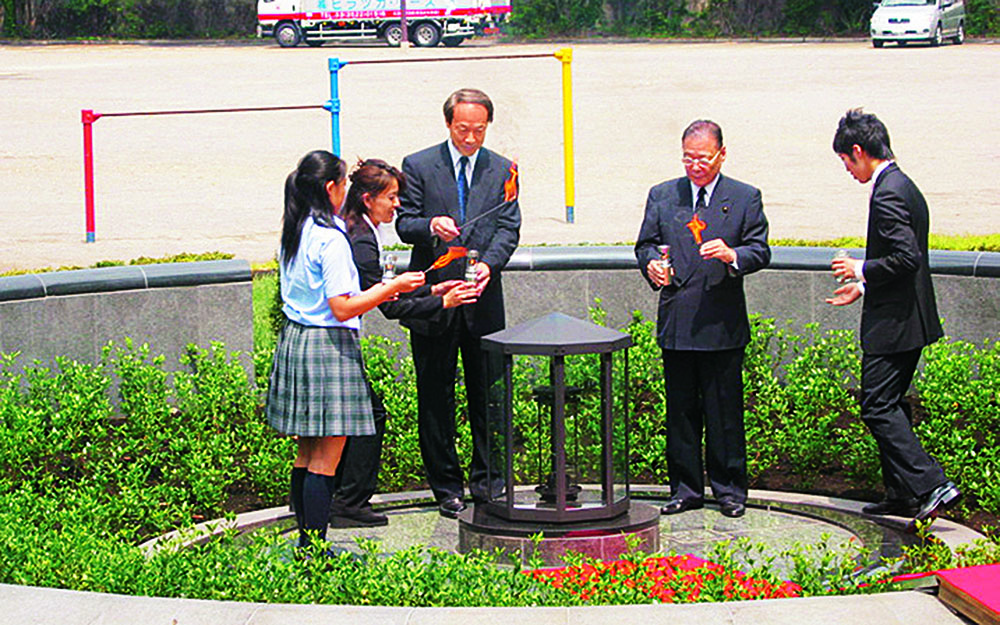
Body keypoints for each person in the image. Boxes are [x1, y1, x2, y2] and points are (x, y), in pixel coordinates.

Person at [265, 150, 424, 551]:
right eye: (342, 184)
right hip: (328, 347)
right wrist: (390, 288)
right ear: (331, 188)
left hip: (297, 340)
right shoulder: (330, 238)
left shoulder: (297, 227)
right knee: (325, 460)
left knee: (306, 453)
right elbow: (342, 307)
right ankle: (316, 551)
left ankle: (306, 544)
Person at [827, 109, 960, 526]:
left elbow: (906, 257)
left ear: (858, 151)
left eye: (847, 162)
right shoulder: (904, 185)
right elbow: (907, 263)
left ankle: (930, 483)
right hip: (910, 318)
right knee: (892, 405)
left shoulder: (887, 192)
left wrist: (860, 268)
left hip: (896, 325)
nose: (848, 170)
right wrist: (863, 287)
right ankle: (902, 494)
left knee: (877, 406)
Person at [330, 158, 479, 527]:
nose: (397, 206)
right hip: (332, 340)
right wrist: (441, 301)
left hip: (337, 337)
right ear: (368, 199)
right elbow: (387, 304)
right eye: (392, 198)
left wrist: (432, 287)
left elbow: (387, 292)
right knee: (368, 416)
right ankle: (348, 501)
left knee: (346, 422)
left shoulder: (356, 229)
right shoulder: (360, 240)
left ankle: (335, 498)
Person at [634, 120, 771, 519]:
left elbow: (760, 250)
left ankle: (729, 490)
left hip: (721, 321)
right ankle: (685, 488)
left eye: (703, 159)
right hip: (678, 319)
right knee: (680, 412)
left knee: (723, 411)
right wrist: (651, 267)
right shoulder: (663, 195)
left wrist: (733, 256)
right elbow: (643, 244)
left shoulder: (744, 197)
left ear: (721, 155)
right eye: (688, 158)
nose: (695, 166)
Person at [396, 88, 521, 519]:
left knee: (490, 394)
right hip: (435, 300)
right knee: (435, 397)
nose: (471, 138)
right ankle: (446, 486)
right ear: (449, 124)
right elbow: (402, 223)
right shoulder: (418, 166)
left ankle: (489, 483)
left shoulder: (503, 169)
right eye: (463, 129)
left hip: (483, 301)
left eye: (480, 130)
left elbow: (509, 227)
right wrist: (430, 224)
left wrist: (490, 263)